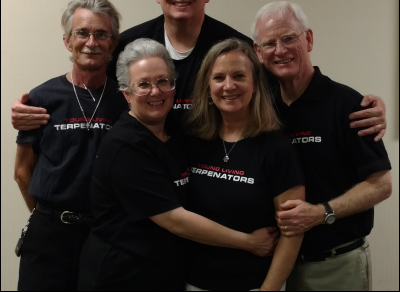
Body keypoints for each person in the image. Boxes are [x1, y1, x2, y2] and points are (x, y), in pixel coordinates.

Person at [11, 0, 387, 138]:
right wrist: (38, 106)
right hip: (147, 175)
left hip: (214, 180)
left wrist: (353, 106)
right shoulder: (128, 45)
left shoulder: (236, 47)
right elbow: (87, 76)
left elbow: (286, 84)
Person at [77, 38, 275, 291]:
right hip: (121, 274)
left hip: (164, 273)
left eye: (163, 81)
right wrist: (248, 242)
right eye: (143, 85)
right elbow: (174, 219)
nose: (156, 91)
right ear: (126, 93)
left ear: (174, 86)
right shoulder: (125, 145)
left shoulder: (176, 134)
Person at [251, 1, 392, 291]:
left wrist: (320, 213)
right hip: (273, 265)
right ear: (258, 52)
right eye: (269, 43)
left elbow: (381, 184)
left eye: (289, 38)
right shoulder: (260, 107)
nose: (280, 50)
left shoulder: (348, 105)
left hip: (334, 266)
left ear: (309, 39)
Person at [14, 0, 128, 290]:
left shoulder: (126, 101)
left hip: (105, 236)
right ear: (68, 41)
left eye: (101, 34)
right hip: (48, 237)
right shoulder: (40, 98)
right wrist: (50, 218)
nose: (91, 42)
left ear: (113, 43)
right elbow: (22, 171)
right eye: (82, 33)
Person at [184, 38, 305, 291]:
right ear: (207, 86)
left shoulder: (277, 149)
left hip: (254, 284)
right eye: (218, 78)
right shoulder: (192, 141)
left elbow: (292, 233)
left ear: (255, 84)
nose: (229, 86)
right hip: (194, 283)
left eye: (239, 76)